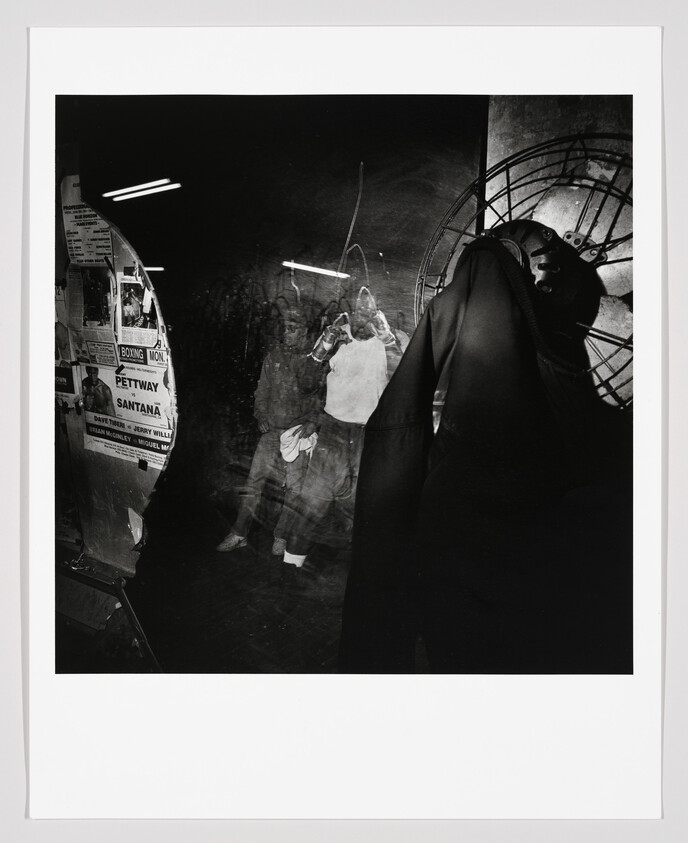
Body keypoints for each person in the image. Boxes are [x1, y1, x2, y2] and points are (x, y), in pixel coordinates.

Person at [282, 289, 403, 571]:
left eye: (370, 308)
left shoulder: (393, 338)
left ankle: (364, 566)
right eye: (358, 309)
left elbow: (404, 379)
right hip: (334, 431)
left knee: (365, 501)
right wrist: (324, 346)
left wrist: (386, 336)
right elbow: (305, 384)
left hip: (372, 432)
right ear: (349, 309)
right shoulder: (337, 335)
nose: (363, 314)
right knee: (314, 499)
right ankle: (291, 563)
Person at [216, 309, 322, 556]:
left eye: (292, 328)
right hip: (272, 432)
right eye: (285, 328)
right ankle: (239, 534)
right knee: (254, 483)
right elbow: (261, 392)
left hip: (297, 435)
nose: (286, 333)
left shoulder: (314, 362)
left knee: (294, 489)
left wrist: (313, 423)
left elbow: (322, 399)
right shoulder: (273, 358)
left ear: (305, 332)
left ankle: (281, 536)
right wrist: (260, 415)